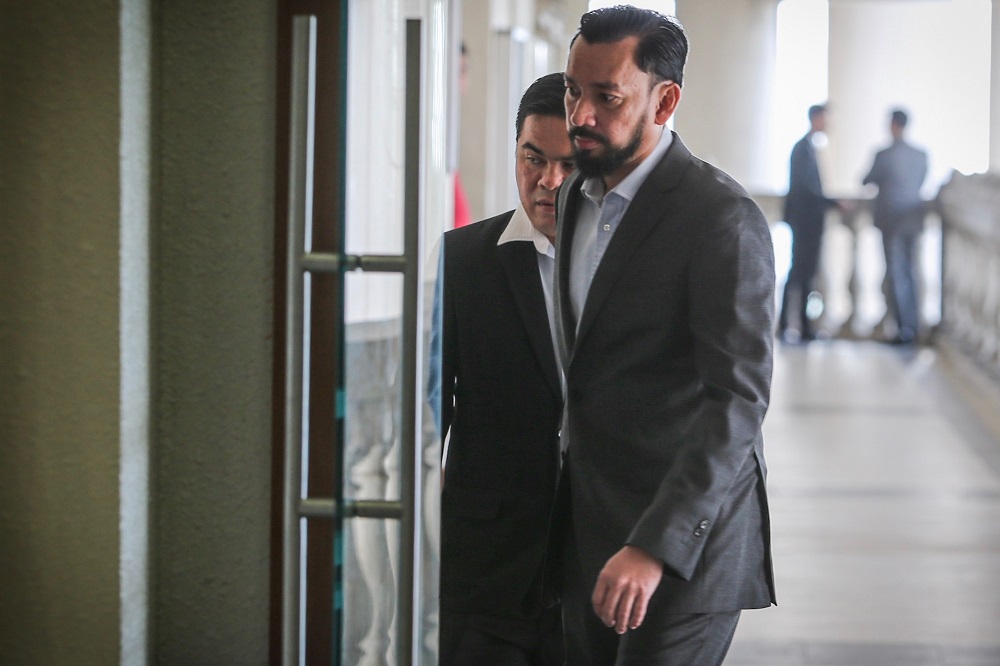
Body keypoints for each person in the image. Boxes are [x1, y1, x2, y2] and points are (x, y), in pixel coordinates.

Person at [553, 6, 776, 665]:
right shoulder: (574, 197)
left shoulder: (721, 219)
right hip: (588, 530)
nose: (580, 115)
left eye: (607, 97)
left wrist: (655, 545)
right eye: (573, 90)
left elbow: (736, 401)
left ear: (665, 99)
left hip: (687, 550)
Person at [435, 72, 574, 665]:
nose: (548, 181)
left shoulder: (632, 268)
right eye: (532, 158)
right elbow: (426, 416)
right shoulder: (463, 261)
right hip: (487, 567)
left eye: (568, 163)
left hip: (597, 567)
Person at [778, 104, 843, 342]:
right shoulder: (803, 149)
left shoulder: (808, 148)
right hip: (805, 222)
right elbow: (807, 190)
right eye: (826, 118)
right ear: (816, 118)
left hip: (807, 221)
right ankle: (793, 325)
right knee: (799, 273)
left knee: (803, 274)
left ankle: (799, 326)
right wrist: (833, 202)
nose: (829, 124)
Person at [862, 109, 928, 345]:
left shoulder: (884, 155)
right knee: (910, 273)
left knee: (897, 273)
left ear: (893, 125)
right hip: (913, 219)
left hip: (891, 220)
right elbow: (920, 181)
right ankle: (913, 325)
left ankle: (903, 329)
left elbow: (865, 179)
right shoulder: (921, 155)